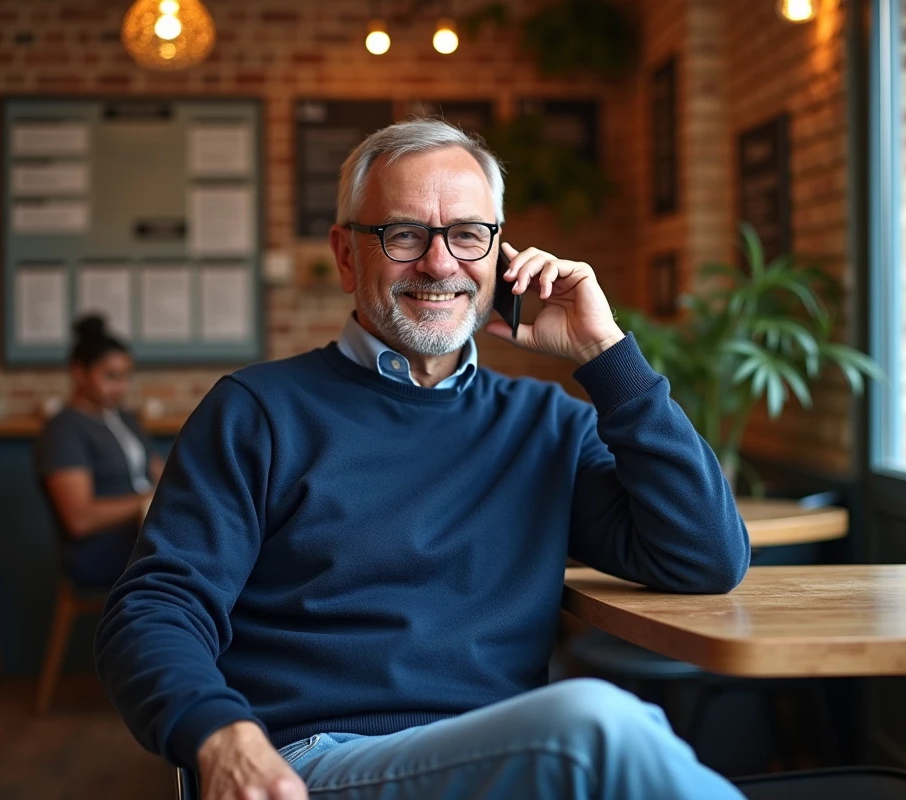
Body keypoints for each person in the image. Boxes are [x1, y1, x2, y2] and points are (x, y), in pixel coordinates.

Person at [95, 119, 750, 800]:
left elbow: (703, 559)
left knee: (586, 734)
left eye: (468, 235)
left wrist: (606, 354)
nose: (440, 264)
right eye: (404, 234)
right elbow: (155, 607)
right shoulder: (256, 412)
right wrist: (218, 734)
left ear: (500, 255)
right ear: (347, 255)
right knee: (594, 729)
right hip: (308, 768)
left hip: (506, 765)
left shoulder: (547, 426)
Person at [35, 315, 163, 589]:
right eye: (111, 376)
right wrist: (147, 500)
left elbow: (160, 472)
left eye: (126, 376)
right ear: (79, 373)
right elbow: (79, 519)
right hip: (99, 551)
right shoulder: (64, 430)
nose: (121, 387)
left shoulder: (124, 419)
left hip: (143, 534)